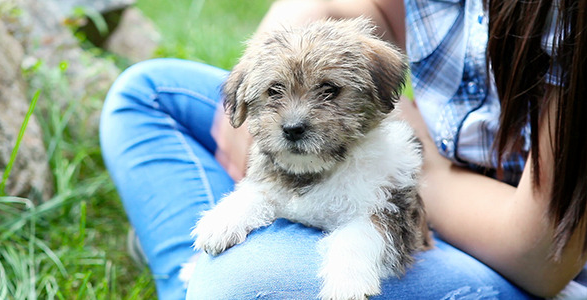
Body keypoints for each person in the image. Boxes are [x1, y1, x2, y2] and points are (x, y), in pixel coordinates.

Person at [99, 0, 587, 299]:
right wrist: (303, 12)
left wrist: (430, 173)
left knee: (238, 285)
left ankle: (205, 278)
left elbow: (543, 256)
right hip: (341, 174)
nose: (294, 118)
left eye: (329, 93)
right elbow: (371, 10)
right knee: (147, 92)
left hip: (516, 263)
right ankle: (207, 273)